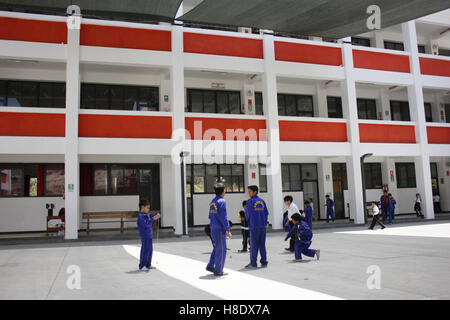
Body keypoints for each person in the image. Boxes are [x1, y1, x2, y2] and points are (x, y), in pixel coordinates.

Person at [206, 183, 232, 276]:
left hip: (213, 227)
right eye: (225, 190)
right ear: (222, 191)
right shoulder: (222, 201)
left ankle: (210, 265)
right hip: (220, 229)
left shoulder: (212, 201)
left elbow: (210, 216)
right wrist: (227, 229)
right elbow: (223, 217)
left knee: (217, 247)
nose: (225, 191)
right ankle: (218, 270)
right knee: (221, 250)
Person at [245, 185, 269, 269]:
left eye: (250, 192)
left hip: (254, 226)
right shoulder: (262, 201)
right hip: (262, 226)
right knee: (262, 244)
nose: (249, 193)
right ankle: (264, 262)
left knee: (254, 245)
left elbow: (247, 215)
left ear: (255, 192)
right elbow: (266, 213)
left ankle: (253, 263)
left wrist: (249, 222)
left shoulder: (250, 202)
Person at [137, 199, 161, 271]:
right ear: (142, 207)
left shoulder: (147, 214)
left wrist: (157, 215)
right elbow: (146, 224)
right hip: (145, 236)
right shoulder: (141, 217)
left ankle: (148, 264)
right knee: (145, 250)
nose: (148, 209)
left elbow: (152, 215)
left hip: (149, 235)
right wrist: (153, 219)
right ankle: (142, 265)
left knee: (150, 250)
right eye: (147, 208)